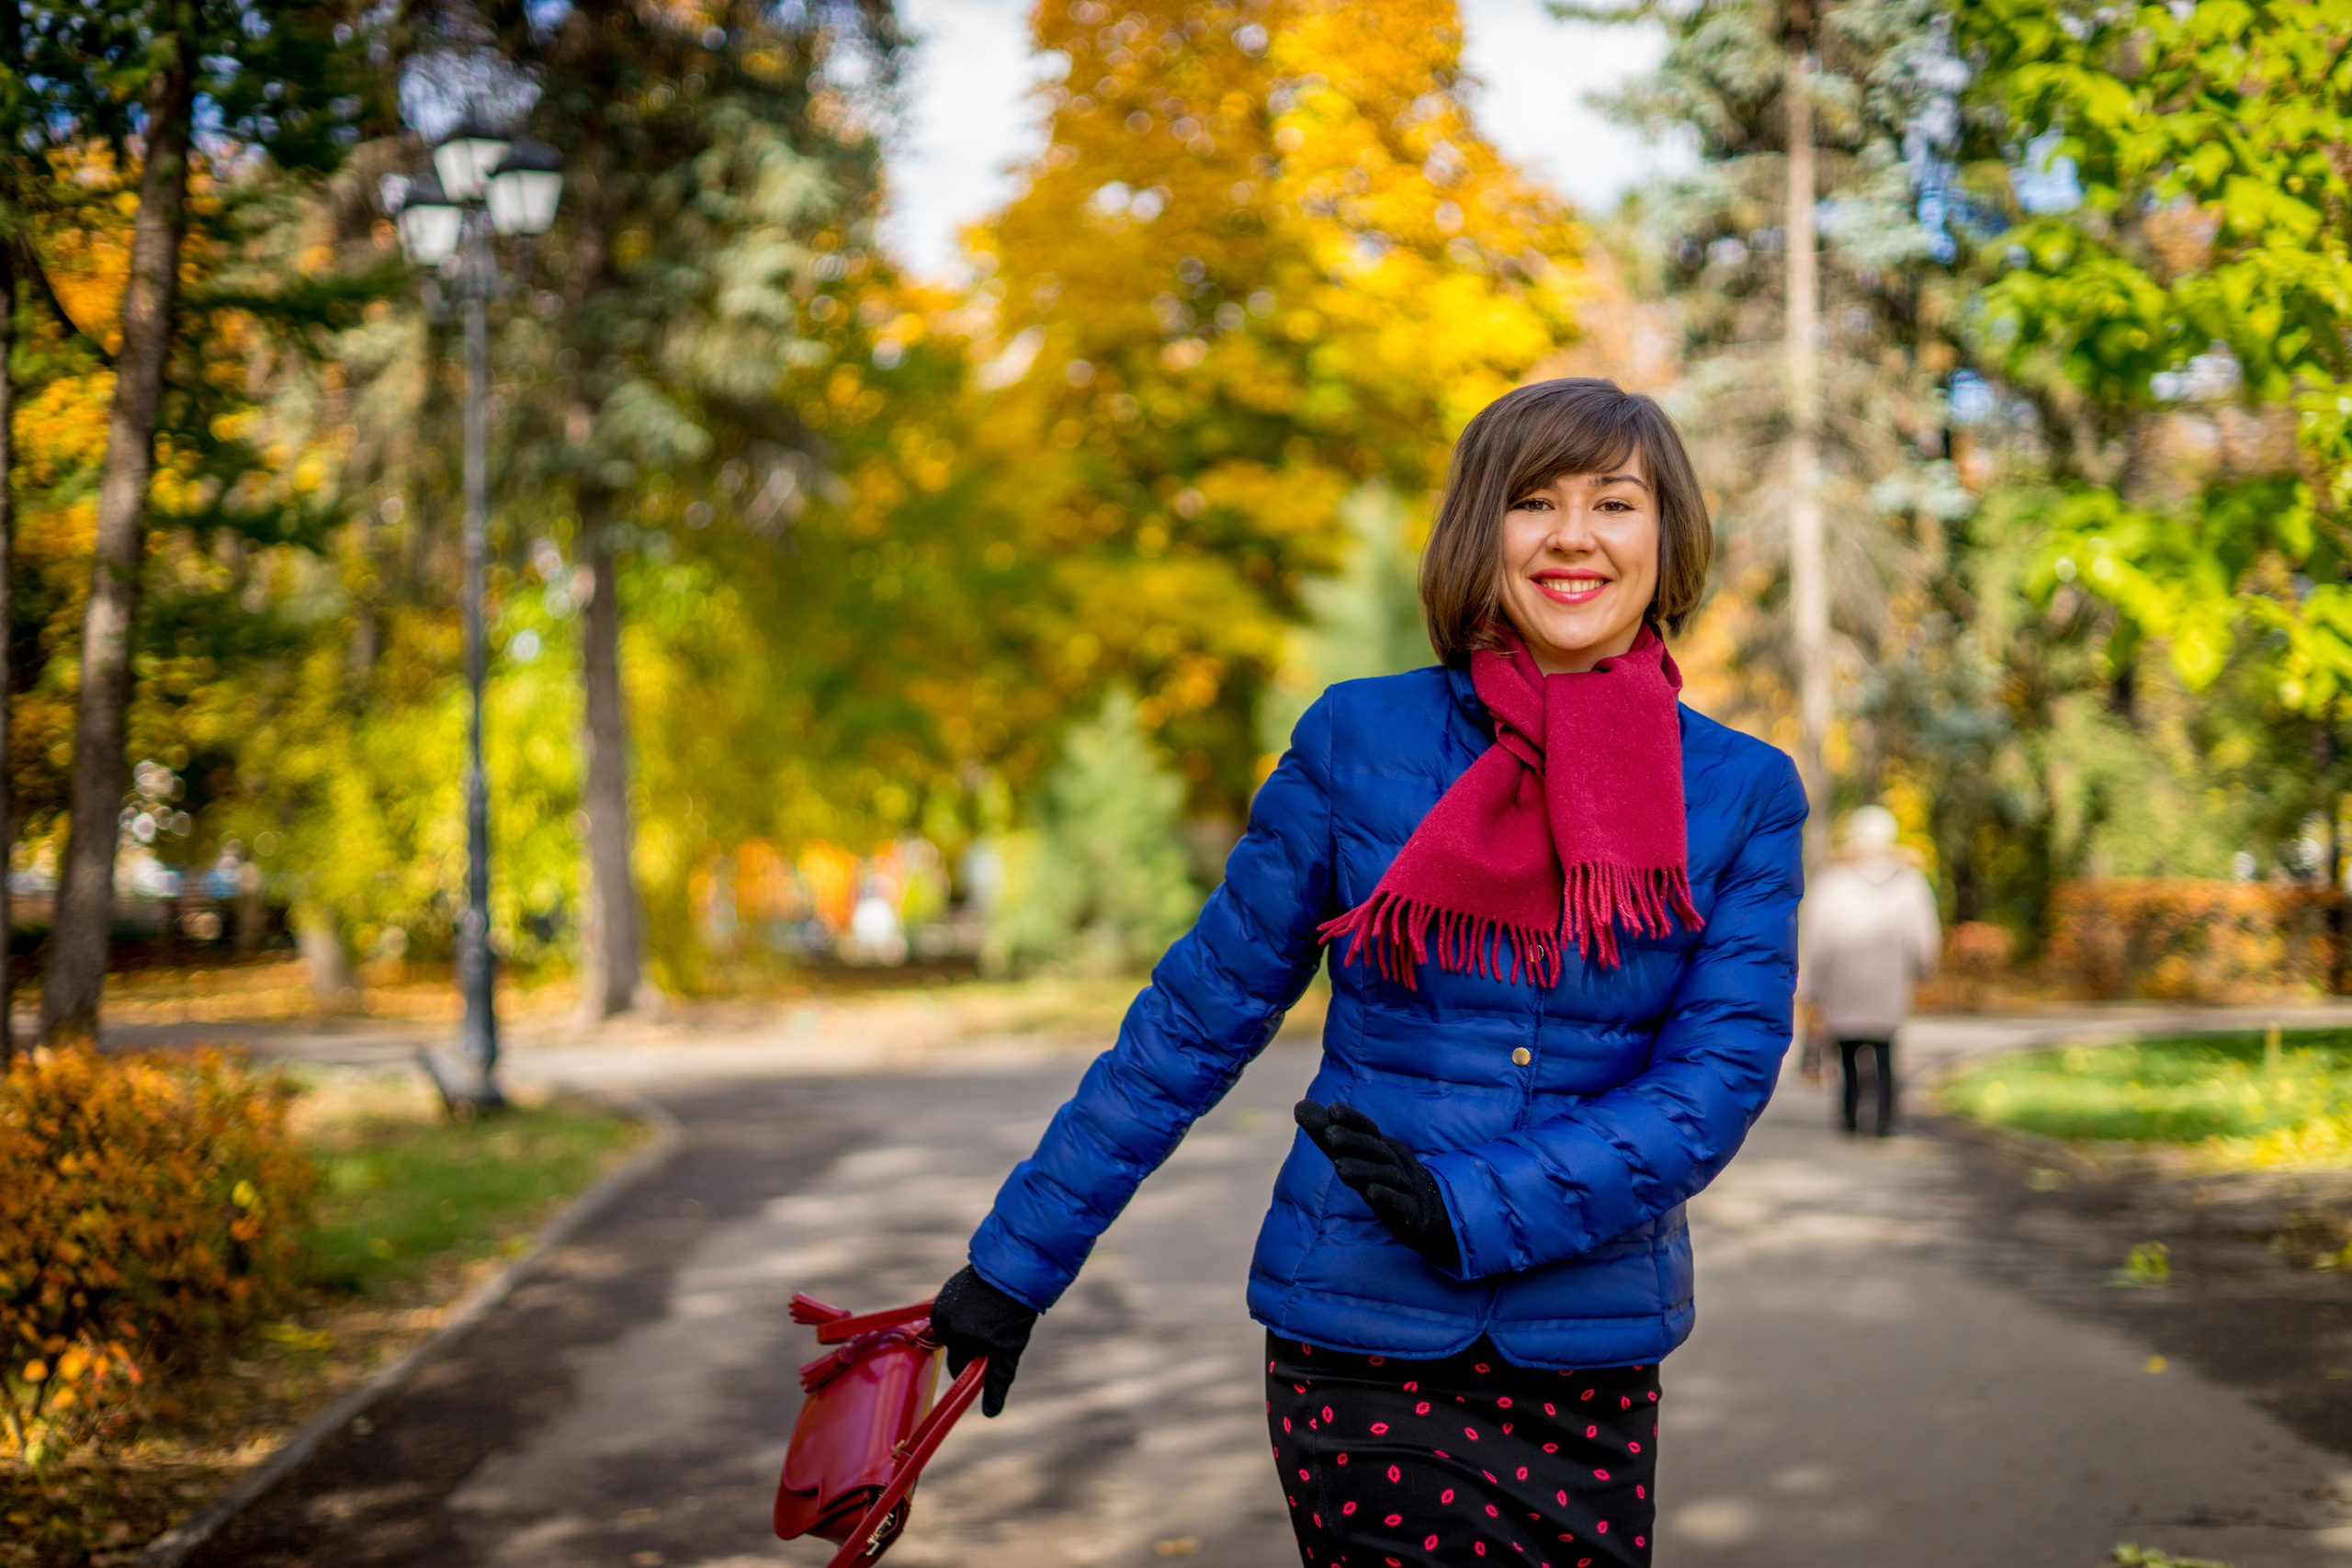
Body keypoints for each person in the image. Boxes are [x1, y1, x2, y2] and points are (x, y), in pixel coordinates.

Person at [927, 378, 1805, 1568]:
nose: (1573, 536)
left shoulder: (1743, 791)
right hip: (1361, 1335)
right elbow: (1193, 1021)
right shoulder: (1356, 741)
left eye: (1614, 502)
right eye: (1532, 501)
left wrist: (1469, 1201)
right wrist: (1013, 1263)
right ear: (1480, 530)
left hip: (1587, 1357)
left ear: (1667, 536)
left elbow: (1715, 1080)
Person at [1799, 805, 1940, 1137]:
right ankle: (1885, 1119)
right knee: (1884, 1046)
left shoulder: (1832, 881)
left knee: (1847, 1047)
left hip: (1843, 981)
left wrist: (1811, 984)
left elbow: (1814, 936)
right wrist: (1926, 969)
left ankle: (1849, 1116)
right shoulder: (1909, 881)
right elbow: (1924, 934)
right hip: (1889, 980)